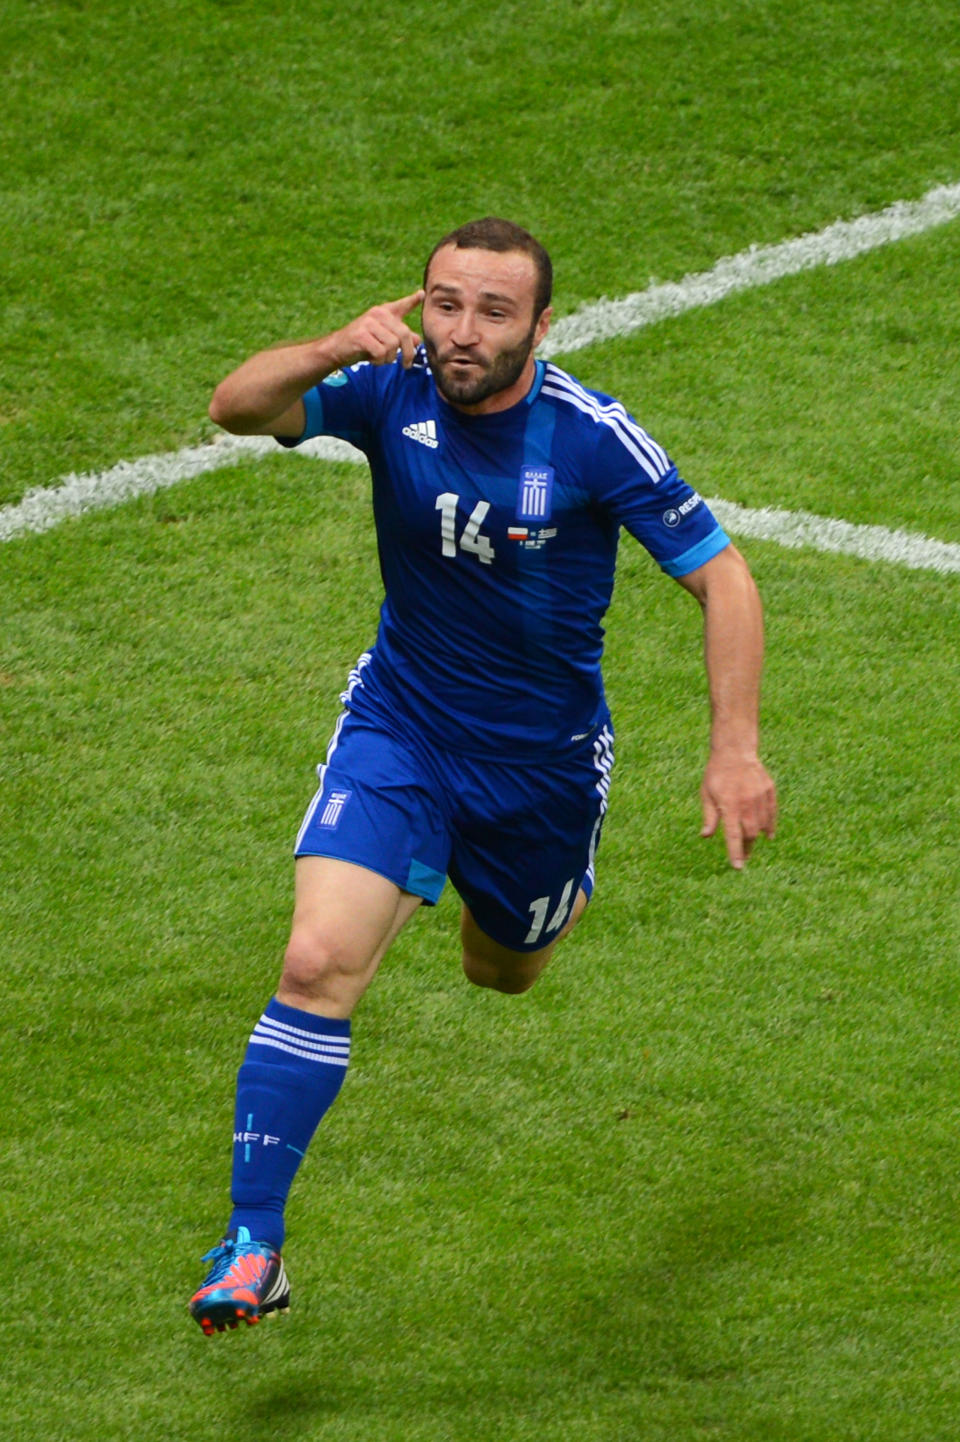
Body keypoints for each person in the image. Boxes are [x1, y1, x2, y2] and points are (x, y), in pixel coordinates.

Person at [188, 218, 777, 1335]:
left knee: (500, 971)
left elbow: (726, 578)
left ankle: (532, 892)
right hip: (402, 727)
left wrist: (734, 745)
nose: (462, 332)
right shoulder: (384, 388)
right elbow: (235, 405)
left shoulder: (592, 438)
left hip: (538, 773)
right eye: (444, 303)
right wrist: (329, 349)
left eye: (493, 312)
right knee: (316, 958)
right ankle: (254, 1241)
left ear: (541, 328)